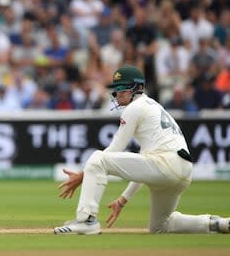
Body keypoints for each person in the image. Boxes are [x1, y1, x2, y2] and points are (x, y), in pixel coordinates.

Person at [53, 65, 229, 235]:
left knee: (98, 157)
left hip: (166, 164)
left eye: (123, 89)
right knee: (161, 225)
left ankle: (87, 220)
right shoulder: (153, 107)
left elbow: (114, 150)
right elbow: (146, 164)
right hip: (182, 169)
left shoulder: (134, 108)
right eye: (117, 89)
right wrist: (123, 200)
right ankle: (217, 223)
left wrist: (82, 175)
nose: (117, 94)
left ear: (137, 88)